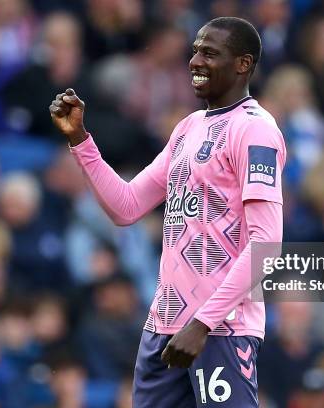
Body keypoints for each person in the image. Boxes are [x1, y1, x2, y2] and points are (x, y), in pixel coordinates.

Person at [49, 16, 285, 407]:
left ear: (243, 63)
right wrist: (81, 141)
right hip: (164, 327)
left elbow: (267, 246)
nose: (195, 61)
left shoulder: (254, 130)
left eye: (210, 53)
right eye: (194, 51)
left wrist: (203, 324)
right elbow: (126, 207)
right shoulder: (187, 128)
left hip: (221, 330)